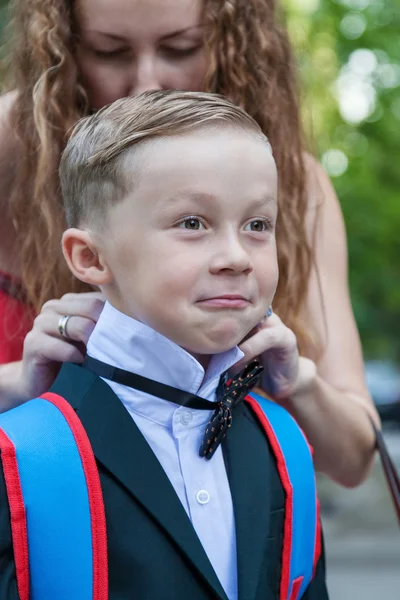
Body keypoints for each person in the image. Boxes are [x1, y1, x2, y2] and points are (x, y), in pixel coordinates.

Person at [0, 0, 379, 487]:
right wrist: (21, 383)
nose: (147, 83)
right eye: (109, 53)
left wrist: (297, 383)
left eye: (181, 49)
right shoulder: (10, 153)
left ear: (229, 44)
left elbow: (353, 459)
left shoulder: (292, 182)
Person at [0, 90, 328, 600]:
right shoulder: (20, 457)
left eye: (258, 225)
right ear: (89, 257)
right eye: (192, 223)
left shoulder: (285, 448)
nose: (237, 256)